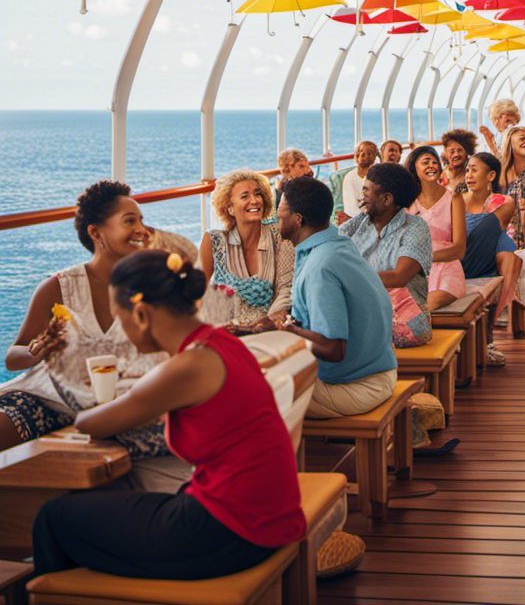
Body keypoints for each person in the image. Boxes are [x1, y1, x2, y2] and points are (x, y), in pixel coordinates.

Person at [32, 249, 306, 579]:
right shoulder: (221, 341)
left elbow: (90, 422)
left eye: (121, 320)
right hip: (267, 516)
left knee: (53, 517)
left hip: (231, 530)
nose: (123, 330)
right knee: (107, 505)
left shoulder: (186, 366)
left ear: (142, 315)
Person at [0, 181, 170, 455]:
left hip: (119, 408)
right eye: (130, 221)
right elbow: (12, 357)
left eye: (141, 220)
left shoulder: (153, 287)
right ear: (95, 232)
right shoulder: (59, 286)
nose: (142, 229)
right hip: (49, 400)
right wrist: (35, 352)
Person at [276, 177, 397, 415]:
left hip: (358, 387)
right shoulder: (337, 243)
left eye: (280, 212)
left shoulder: (320, 267)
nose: (276, 217)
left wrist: (288, 332)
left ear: (298, 219)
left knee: (249, 393)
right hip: (378, 371)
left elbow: (333, 349)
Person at [338, 163, 435, 349]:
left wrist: (346, 279)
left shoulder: (415, 227)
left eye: (366, 191)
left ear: (386, 199)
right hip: (363, 310)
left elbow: (399, 277)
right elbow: (331, 248)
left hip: (404, 318)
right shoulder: (359, 223)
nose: (361, 196)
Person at [198, 170, 293, 332]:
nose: (254, 201)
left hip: (269, 330)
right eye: (245, 196)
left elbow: (287, 289)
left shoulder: (280, 236)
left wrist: (261, 325)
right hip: (224, 330)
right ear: (230, 208)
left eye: (258, 195)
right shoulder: (214, 241)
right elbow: (197, 293)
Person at [463, 152, 523, 328]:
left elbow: (492, 228)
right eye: (467, 170)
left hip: (489, 256)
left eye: (474, 170)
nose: (468, 175)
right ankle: (508, 300)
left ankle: (493, 320)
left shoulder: (505, 201)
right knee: (504, 245)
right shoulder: (456, 201)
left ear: (491, 175)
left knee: (501, 240)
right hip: (463, 255)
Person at [406, 146, 467, 311]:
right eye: (425, 162)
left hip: (447, 269)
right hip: (414, 272)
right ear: (414, 168)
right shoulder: (408, 204)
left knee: (429, 302)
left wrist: (423, 258)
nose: (431, 166)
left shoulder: (454, 199)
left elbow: (459, 250)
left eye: (434, 162)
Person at [339, 140, 378, 221]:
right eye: (360, 153)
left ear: (374, 156)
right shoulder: (349, 177)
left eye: (369, 153)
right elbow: (350, 209)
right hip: (356, 220)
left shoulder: (379, 176)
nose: (364, 155)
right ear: (356, 157)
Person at [441, 128, 477, 194]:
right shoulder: (438, 177)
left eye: (460, 150)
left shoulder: (472, 177)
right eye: (452, 151)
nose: (456, 154)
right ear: (446, 153)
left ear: (467, 153)